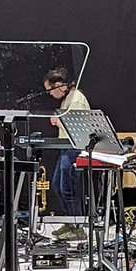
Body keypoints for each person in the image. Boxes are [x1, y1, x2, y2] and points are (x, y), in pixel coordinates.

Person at [44, 66, 92, 223]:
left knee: (68, 188)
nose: (50, 94)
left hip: (74, 148)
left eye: (50, 89)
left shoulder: (76, 99)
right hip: (66, 147)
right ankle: (70, 222)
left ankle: (77, 224)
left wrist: (59, 122)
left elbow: (78, 127)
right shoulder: (67, 99)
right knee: (58, 186)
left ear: (59, 85)